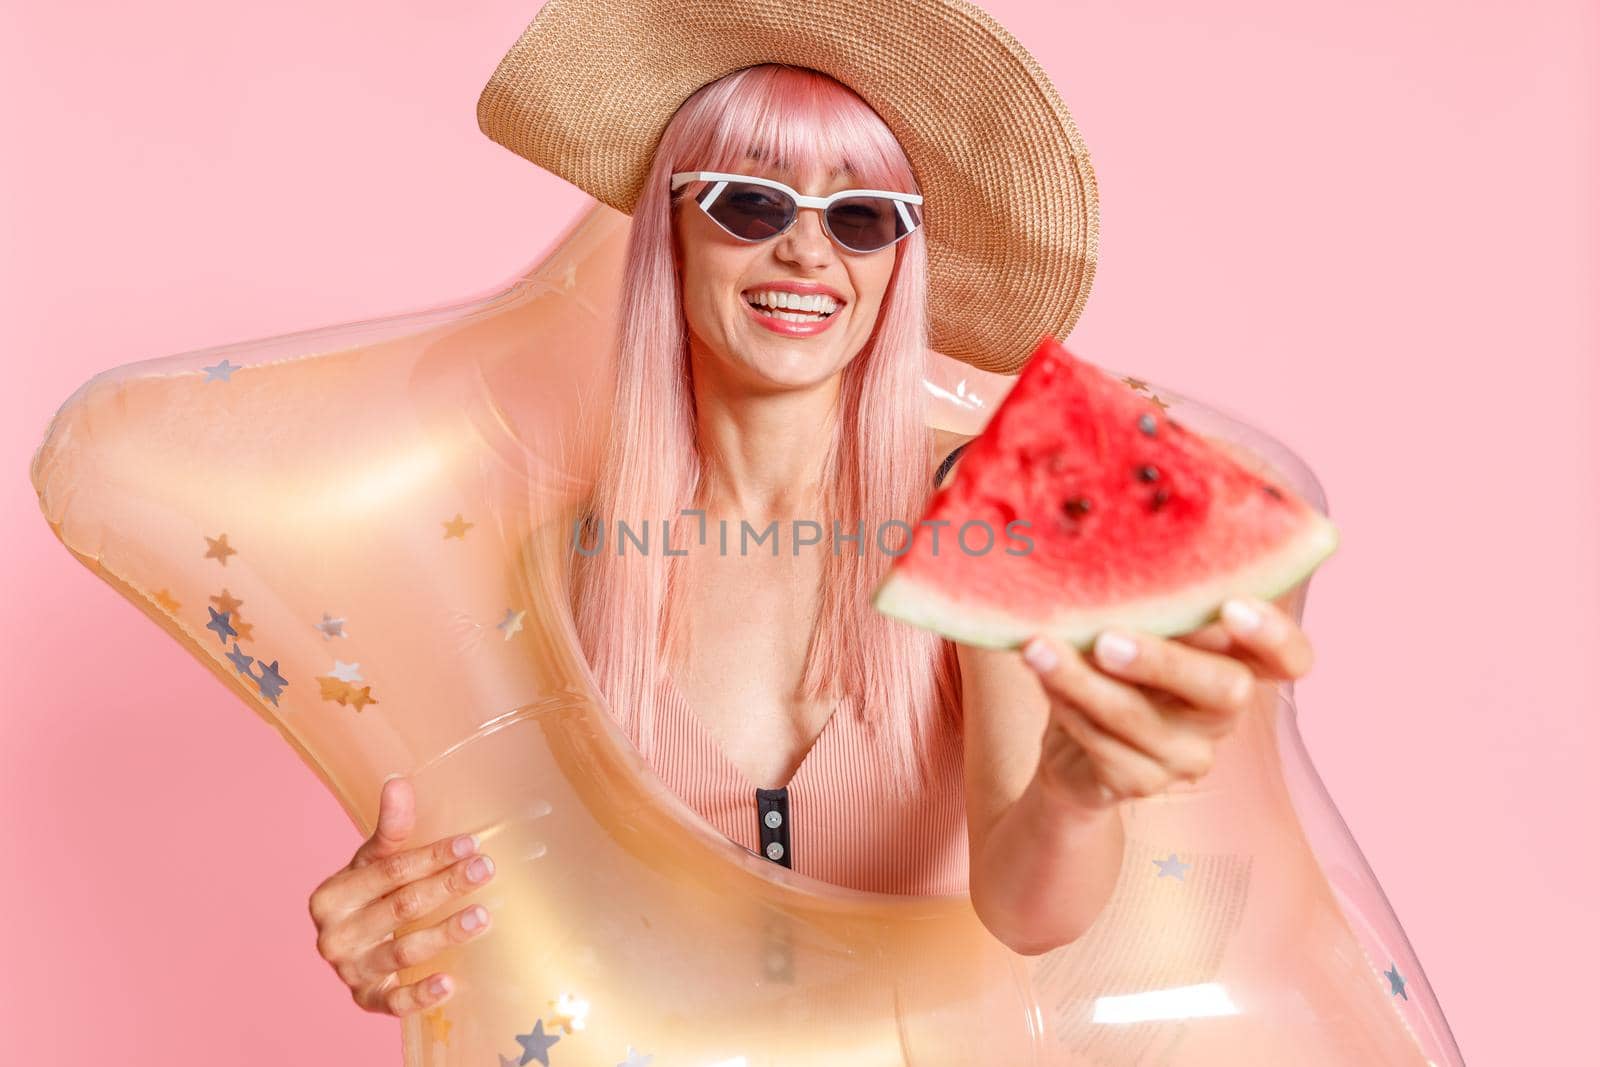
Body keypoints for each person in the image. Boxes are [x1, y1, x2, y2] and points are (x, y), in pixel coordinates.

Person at [305, 3, 1316, 1021]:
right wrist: (399, 920)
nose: (805, 250)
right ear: (673, 230)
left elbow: (1030, 907)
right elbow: (531, 888)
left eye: (861, 217)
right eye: (751, 203)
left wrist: (1072, 785)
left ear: (894, 266)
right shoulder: (557, 563)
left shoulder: (975, 509)